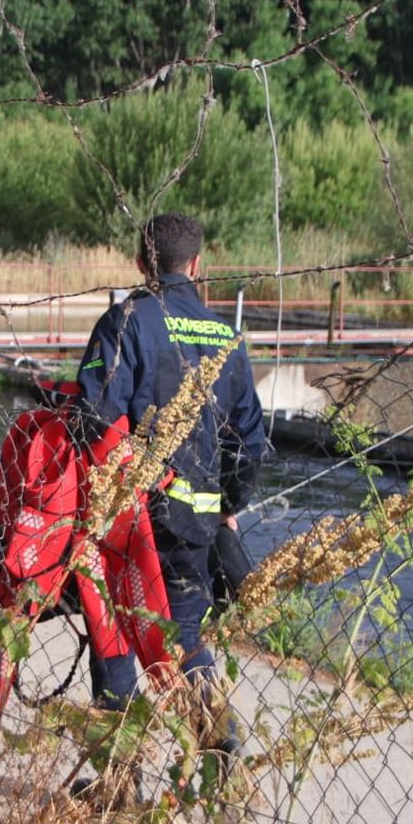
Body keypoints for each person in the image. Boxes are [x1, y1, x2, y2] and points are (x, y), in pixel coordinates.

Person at [73, 212, 268, 723]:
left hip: (130, 516)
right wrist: (229, 505)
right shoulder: (227, 337)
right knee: (185, 638)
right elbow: (250, 441)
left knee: (113, 627)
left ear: (140, 263)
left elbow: (93, 417)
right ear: (197, 265)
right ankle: (217, 748)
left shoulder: (127, 320)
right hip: (194, 525)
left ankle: (118, 772)